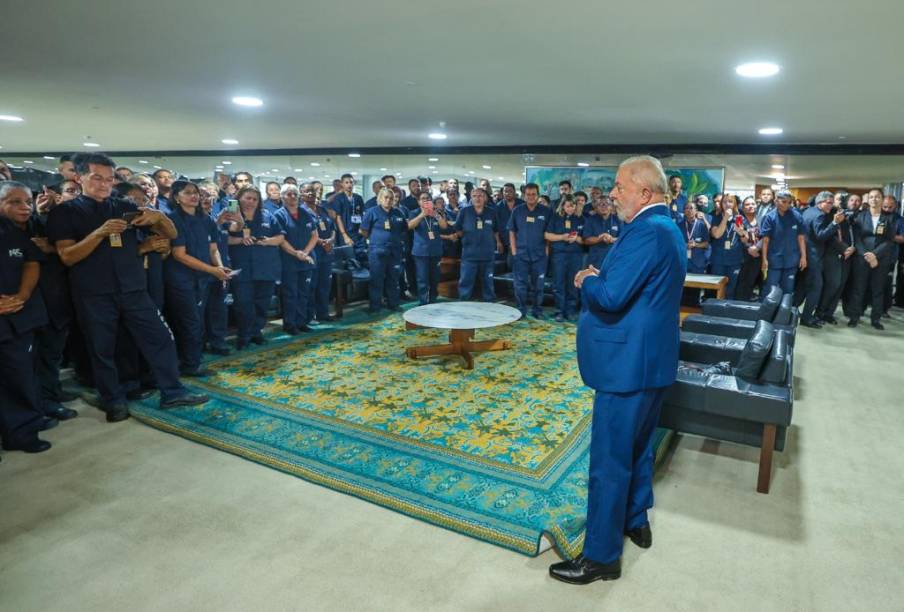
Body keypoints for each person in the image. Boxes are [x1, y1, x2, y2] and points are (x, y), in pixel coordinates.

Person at [549, 156, 685, 584]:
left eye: (620, 186)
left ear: (645, 192)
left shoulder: (648, 231)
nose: (612, 193)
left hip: (628, 366)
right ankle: (634, 519)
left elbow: (609, 296)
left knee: (609, 461)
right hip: (650, 361)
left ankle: (601, 556)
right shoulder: (667, 226)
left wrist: (586, 279)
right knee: (638, 448)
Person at [45, 154, 208, 420]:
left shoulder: (123, 206)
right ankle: (113, 400)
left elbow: (171, 233)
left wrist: (157, 217)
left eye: (109, 179)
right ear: (79, 177)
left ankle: (173, 391)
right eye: (97, 177)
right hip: (94, 292)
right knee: (103, 349)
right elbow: (68, 256)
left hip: (133, 288)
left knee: (161, 338)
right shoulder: (65, 212)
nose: (104, 184)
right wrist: (100, 233)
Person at [0, 182, 53, 454]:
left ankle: (22, 430)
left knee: (21, 372)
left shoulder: (19, 232)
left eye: (27, 202)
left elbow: (31, 262)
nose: (24, 207)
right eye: (14, 202)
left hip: (19, 315)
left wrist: (21, 295)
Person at [163, 180, 230, 376]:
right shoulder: (173, 219)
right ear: (177, 197)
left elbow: (213, 249)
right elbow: (179, 254)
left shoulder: (206, 219)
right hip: (181, 279)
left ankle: (193, 359)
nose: (194, 196)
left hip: (203, 278)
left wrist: (219, 268)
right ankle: (189, 364)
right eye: (188, 193)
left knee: (197, 321)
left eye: (196, 193)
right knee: (189, 322)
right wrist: (212, 270)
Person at [27, 182, 81, 421]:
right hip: (46, 295)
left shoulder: (79, 219)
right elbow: (34, 247)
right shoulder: (35, 222)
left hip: (69, 294)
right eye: (69, 191)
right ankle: (45, 400)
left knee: (54, 350)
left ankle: (52, 391)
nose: (74, 195)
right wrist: (41, 214)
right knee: (44, 351)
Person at [227, 186, 285, 348]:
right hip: (241, 267)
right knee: (243, 304)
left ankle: (256, 332)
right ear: (239, 198)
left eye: (254, 199)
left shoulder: (267, 215)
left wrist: (267, 241)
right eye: (247, 198)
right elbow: (222, 239)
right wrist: (240, 239)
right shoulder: (230, 214)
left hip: (266, 267)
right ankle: (243, 335)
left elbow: (280, 237)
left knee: (262, 303)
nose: (251, 202)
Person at [848, 189, 896, 330]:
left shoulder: (889, 218)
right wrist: (867, 255)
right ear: (868, 200)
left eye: (877, 197)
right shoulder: (860, 216)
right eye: (872, 197)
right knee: (858, 289)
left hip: (880, 260)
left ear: (882, 200)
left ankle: (876, 319)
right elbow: (856, 238)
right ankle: (854, 317)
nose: (874, 199)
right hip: (862, 259)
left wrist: (875, 255)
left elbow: (889, 240)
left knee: (878, 290)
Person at [273, 184, 317, 334]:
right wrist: (296, 253)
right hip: (289, 261)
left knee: (304, 293)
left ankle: (301, 322)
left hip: (306, 260)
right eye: (288, 194)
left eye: (294, 194)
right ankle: (290, 324)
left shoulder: (306, 213)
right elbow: (281, 239)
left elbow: (314, 235)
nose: (292, 197)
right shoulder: (279, 215)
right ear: (282, 197)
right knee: (290, 294)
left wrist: (305, 252)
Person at [198, 181, 236, 355]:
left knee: (218, 308)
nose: (208, 199)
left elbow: (238, 228)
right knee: (199, 310)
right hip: (199, 270)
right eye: (203, 195)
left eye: (211, 195)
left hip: (221, 267)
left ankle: (217, 341)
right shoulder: (191, 217)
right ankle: (199, 344)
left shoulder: (219, 215)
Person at [798, 191, 844, 328]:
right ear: (820, 202)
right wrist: (834, 223)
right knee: (815, 288)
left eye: (832, 202)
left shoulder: (808, 211)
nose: (831, 206)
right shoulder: (819, 216)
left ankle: (792, 312)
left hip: (805, 254)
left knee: (803, 287)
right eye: (828, 203)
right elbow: (821, 236)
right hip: (813, 256)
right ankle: (806, 318)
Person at [360, 187, 407, 313]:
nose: (388, 200)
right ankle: (375, 306)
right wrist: (375, 240)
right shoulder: (371, 212)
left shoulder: (398, 212)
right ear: (380, 199)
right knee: (376, 279)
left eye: (391, 198)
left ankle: (393, 304)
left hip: (395, 251)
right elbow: (363, 230)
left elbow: (404, 229)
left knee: (394, 278)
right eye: (386, 197)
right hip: (377, 251)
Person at [508, 183, 551, 319]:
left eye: (534, 194)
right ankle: (521, 310)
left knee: (539, 286)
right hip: (520, 255)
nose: (531, 197)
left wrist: (547, 252)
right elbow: (511, 231)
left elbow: (549, 234)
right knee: (520, 285)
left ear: (538, 195)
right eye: (528, 194)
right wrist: (514, 251)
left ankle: (537, 310)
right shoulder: (517, 210)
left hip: (539, 256)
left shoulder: (546, 211)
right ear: (524, 195)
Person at [454, 187, 501, 302]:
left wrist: (499, 242)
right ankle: (464, 302)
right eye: (474, 196)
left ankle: (489, 304)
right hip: (469, 254)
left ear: (485, 197)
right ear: (471, 198)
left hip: (487, 254)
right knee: (466, 281)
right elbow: (458, 229)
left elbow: (496, 230)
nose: (477, 198)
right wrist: (467, 238)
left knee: (488, 282)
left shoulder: (492, 212)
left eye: (480, 196)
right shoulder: (464, 211)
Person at [817, 194, 857, 324]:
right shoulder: (828, 214)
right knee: (832, 285)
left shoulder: (851, 216)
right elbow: (829, 236)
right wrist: (844, 248)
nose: (841, 202)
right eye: (839, 199)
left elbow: (854, 234)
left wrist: (852, 248)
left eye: (844, 199)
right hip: (832, 255)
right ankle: (820, 312)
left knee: (840, 286)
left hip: (848, 256)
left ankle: (829, 313)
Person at [545, 195, 585, 321]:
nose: (570, 208)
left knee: (573, 284)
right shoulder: (556, 217)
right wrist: (562, 237)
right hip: (559, 255)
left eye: (572, 206)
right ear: (562, 206)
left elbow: (586, 239)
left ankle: (571, 311)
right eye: (567, 206)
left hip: (575, 255)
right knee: (558, 284)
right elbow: (547, 235)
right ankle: (559, 311)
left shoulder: (580, 218)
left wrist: (576, 239)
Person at [760, 190, 806, 296]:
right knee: (770, 290)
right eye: (784, 202)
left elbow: (801, 238)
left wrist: (803, 257)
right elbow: (765, 240)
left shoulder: (796, 216)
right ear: (776, 201)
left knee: (788, 290)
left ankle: (784, 312)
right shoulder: (769, 217)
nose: (787, 205)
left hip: (791, 260)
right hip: (774, 261)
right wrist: (764, 259)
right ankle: (766, 312)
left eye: (789, 202)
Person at [408, 192, 449, 305]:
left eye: (428, 198)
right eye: (422, 199)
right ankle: (423, 301)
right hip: (420, 252)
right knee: (422, 279)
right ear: (419, 202)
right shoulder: (414, 213)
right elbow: (409, 226)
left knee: (434, 278)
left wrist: (435, 214)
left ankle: (433, 299)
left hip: (435, 251)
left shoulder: (436, 213)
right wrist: (422, 215)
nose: (425, 200)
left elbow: (444, 226)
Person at [305, 185, 336, 323]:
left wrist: (330, 241)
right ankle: (310, 316)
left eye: (313, 191)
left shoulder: (323, 210)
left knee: (325, 285)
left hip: (327, 253)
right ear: (302, 194)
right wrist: (321, 242)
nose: (311, 193)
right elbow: (304, 232)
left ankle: (323, 313)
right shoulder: (301, 211)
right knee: (312, 286)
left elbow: (333, 229)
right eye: (307, 191)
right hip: (312, 253)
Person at [709, 193, 749, 299]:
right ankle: (716, 310)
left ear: (734, 204)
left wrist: (742, 233)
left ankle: (726, 311)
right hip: (719, 260)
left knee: (731, 289)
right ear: (721, 204)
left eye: (730, 201)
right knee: (718, 287)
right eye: (724, 202)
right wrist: (725, 218)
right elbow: (717, 234)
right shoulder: (716, 217)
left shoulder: (740, 218)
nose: (727, 204)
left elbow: (746, 240)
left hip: (734, 260)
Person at [734, 196, 763, 301]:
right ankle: (738, 304)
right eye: (747, 204)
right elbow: (741, 237)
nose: (750, 206)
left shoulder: (761, 219)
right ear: (743, 207)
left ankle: (746, 304)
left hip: (757, 256)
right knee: (741, 282)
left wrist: (756, 248)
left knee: (751, 281)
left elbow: (764, 237)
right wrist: (751, 249)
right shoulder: (739, 219)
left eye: (753, 204)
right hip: (742, 256)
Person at [582, 196, 619, 270]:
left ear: (611, 206)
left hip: (613, 259)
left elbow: (624, 238)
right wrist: (600, 238)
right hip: (595, 260)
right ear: (596, 208)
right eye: (600, 204)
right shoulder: (590, 220)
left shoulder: (618, 220)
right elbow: (586, 240)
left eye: (606, 204)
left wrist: (611, 239)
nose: (603, 206)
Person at [678, 201, 709, 274]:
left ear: (696, 211)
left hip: (698, 263)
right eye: (686, 208)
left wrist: (695, 244)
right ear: (684, 211)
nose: (689, 210)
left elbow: (706, 244)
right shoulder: (679, 226)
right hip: (683, 262)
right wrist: (685, 245)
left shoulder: (702, 226)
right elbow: (675, 243)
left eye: (691, 208)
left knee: (697, 284)